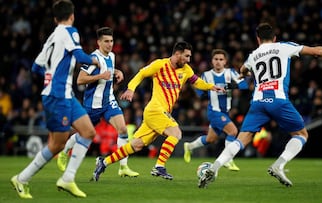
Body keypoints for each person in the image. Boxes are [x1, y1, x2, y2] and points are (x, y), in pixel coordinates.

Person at [198, 22, 322, 188]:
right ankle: (278, 165)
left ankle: (214, 168)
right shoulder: (284, 47)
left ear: (258, 39)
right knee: (301, 134)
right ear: (274, 38)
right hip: (278, 99)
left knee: (243, 138)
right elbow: (315, 51)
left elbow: (243, 71)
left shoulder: (253, 55)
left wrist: (247, 72)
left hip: (258, 102)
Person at [91, 41, 225, 181]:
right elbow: (141, 74)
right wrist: (131, 88)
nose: (188, 60)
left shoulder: (186, 70)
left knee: (136, 145)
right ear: (177, 54)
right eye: (186, 56)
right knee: (176, 133)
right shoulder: (160, 65)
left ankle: (104, 162)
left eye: (190, 56)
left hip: (160, 113)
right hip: (155, 109)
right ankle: (159, 166)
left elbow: (197, 82)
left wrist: (211, 87)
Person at [10, 0, 99, 198]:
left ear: (55, 18)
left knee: (88, 131)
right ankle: (22, 178)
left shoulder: (52, 36)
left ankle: (68, 178)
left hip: (64, 93)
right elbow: (81, 56)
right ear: (72, 16)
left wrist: (50, 75)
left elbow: (36, 67)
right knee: (58, 144)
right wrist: (97, 61)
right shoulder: (70, 31)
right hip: (58, 95)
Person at [56, 27, 139, 177]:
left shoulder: (112, 56)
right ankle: (65, 151)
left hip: (108, 102)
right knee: (83, 134)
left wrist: (117, 72)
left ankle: (123, 167)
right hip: (92, 105)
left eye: (111, 41)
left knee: (123, 130)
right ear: (99, 42)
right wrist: (100, 76)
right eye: (106, 41)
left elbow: (109, 70)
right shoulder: (92, 58)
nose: (109, 44)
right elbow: (80, 79)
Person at [183, 49, 248, 171]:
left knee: (210, 139)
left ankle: (189, 146)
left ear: (225, 62)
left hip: (225, 112)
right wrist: (207, 90)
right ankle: (228, 160)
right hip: (214, 111)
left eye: (221, 59)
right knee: (233, 132)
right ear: (212, 61)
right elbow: (198, 91)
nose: (218, 62)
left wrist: (229, 86)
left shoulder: (230, 72)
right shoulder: (206, 75)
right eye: (216, 59)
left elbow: (244, 85)